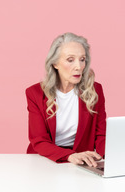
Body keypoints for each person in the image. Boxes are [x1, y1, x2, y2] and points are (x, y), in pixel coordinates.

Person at [25, 32, 106, 167]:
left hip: (81, 162)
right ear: (55, 63)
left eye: (82, 59)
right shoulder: (35, 93)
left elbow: (101, 134)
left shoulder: (95, 90)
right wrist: (69, 156)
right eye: (70, 60)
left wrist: (112, 158)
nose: (78, 67)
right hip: (45, 160)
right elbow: (39, 140)